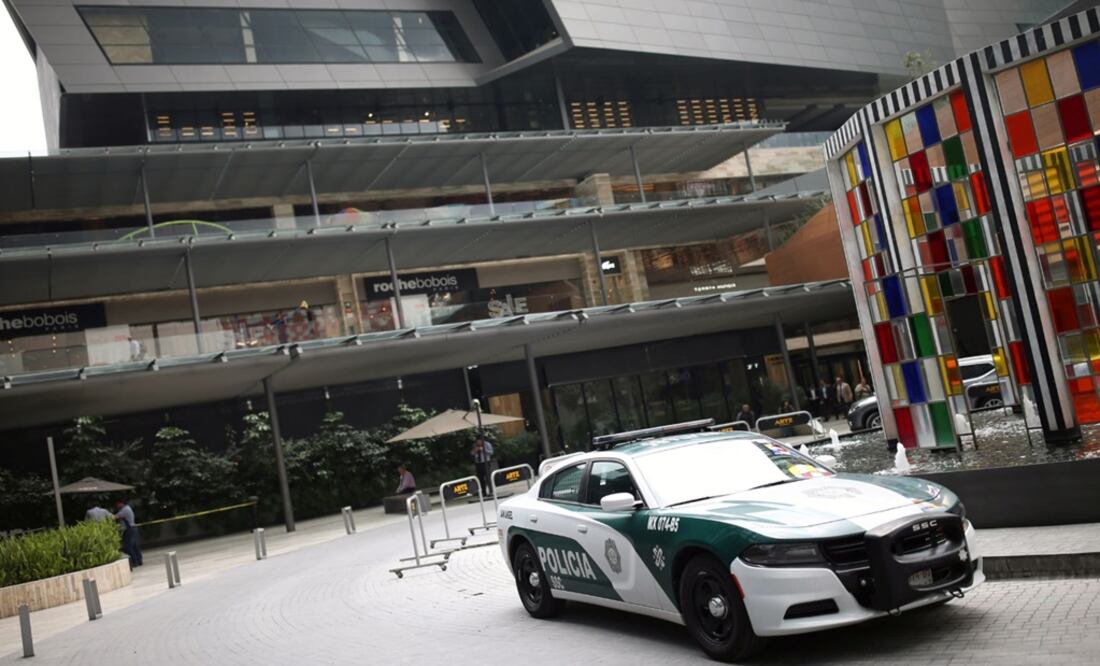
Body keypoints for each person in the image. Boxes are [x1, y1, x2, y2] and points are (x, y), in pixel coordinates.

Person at [113, 499, 143, 568]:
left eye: (117, 504)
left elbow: (114, 517)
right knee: (135, 546)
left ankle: (135, 561)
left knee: (128, 547)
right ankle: (139, 561)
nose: (117, 506)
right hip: (133, 529)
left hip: (130, 530)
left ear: (121, 503)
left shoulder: (124, 510)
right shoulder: (127, 508)